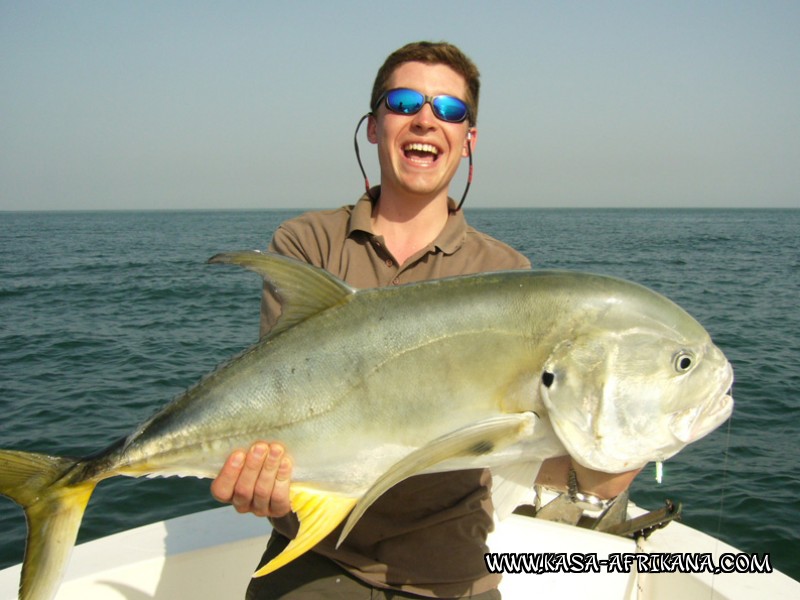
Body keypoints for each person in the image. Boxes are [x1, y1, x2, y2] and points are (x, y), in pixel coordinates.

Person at [211, 41, 640, 599]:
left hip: (453, 570)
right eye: (405, 101)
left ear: (469, 140)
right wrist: (260, 475)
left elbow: (516, 445)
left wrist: (595, 471)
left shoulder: (506, 274)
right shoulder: (307, 243)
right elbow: (284, 408)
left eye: (451, 110)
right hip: (314, 559)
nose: (426, 119)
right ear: (373, 125)